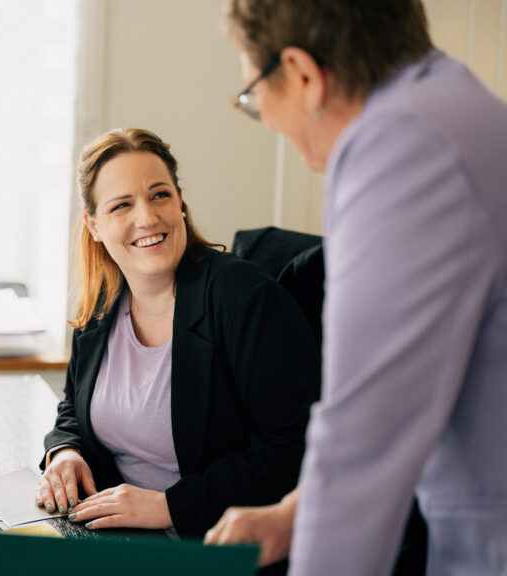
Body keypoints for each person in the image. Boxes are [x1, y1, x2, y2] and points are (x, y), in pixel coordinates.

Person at [205, 1, 507, 575]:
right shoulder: (449, 106)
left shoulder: (403, 148)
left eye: (253, 96)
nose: (265, 118)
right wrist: (298, 514)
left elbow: (363, 436)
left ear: (302, 74)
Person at [36, 128, 320, 540]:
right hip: (116, 538)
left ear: (180, 202)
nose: (147, 217)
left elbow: (294, 447)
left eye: (160, 195)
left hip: (210, 543)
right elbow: (74, 407)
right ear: (93, 225)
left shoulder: (245, 298)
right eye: (121, 205)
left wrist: (169, 506)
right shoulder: (101, 306)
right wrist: (63, 451)